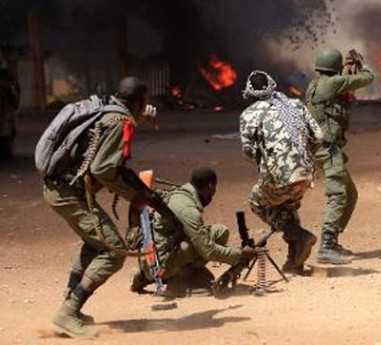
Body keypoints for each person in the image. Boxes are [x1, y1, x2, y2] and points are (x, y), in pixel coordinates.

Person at [42, 77, 169, 339]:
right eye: (144, 102)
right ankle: (67, 313)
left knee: (94, 244)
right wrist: (138, 196)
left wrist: (137, 116)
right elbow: (104, 169)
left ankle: (70, 306)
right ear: (136, 101)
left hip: (60, 189)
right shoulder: (121, 121)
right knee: (113, 252)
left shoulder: (107, 107)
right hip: (68, 193)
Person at [240, 70, 323, 274]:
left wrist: (268, 160)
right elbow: (319, 136)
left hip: (278, 176)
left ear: (251, 93)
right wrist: (301, 155)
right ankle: (295, 261)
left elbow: (248, 151)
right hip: (306, 174)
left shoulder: (249, 114)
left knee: (257, 202)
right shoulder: (295, 105)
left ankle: (299, 235)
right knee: (287, 207)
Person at [130, 168, 254, 294]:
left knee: (220, 232)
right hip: (160, 264)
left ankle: (146, 275)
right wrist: (241, 255)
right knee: (189, 247)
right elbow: (208, 251)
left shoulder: (180, 194)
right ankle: (179, 280)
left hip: (153, 255)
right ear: (210, 186)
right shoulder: (188, 210)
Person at [305, 48, 374, 264]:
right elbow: (367, 78)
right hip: (328, 149)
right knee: (339, 195)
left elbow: (343, 85)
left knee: (350, 194)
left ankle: (332, 241)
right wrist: (361, 66)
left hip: (323, 148)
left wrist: (347, 71)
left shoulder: (316, 84)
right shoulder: (333, 83)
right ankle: (326, 246)